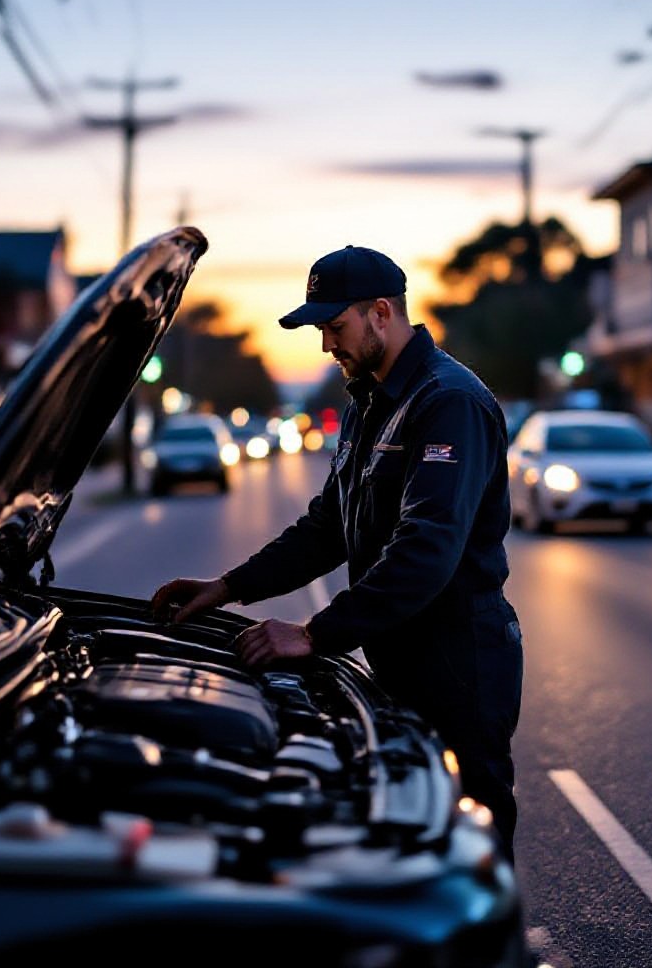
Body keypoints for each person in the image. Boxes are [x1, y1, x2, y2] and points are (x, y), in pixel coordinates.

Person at [150, 244, 523, 862]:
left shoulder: (447, 402)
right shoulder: (370, 403)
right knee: (410, 832)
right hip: (401, 651)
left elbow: (426, 550)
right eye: (321, 329)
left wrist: (316, 634)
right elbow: (328, 527)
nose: (326, 344)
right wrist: (227, 587)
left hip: (461, 658)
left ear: (382, 312)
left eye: (334, 326)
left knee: (470, 839)